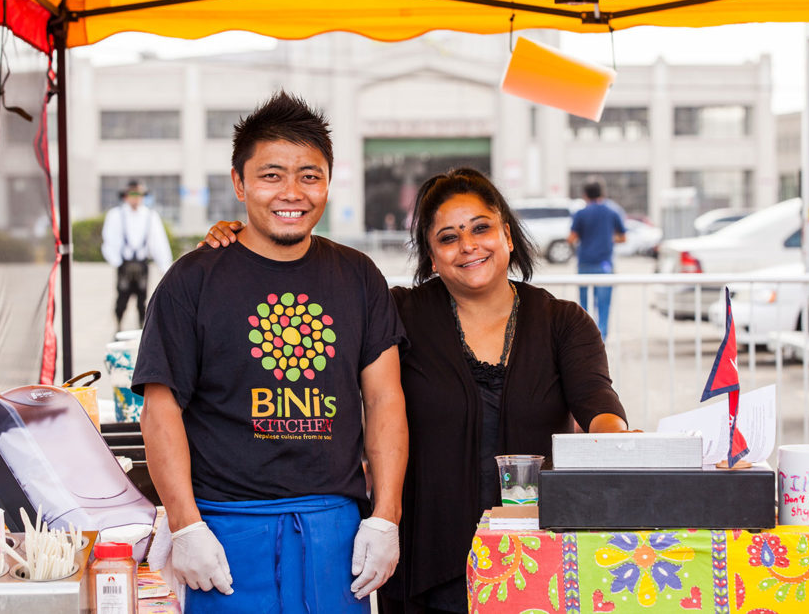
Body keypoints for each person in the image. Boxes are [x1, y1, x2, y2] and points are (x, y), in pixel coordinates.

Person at [203, 167, 630, 614]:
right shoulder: (398, 313)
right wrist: (246, 245)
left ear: (506, 232)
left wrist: (617, 442)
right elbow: (307, 301)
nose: (468, 246)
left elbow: (597, 403)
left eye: (481, 228)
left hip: (534, 558)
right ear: (431, 254)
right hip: (423, 564)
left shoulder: (563, 322)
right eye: (448, 238)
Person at [134, 91, 408, 613]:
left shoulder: (359, 276)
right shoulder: (191, 281)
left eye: (310, 175)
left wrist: (384, 517)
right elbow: (160, 409)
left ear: (328, 181)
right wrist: (185, 524)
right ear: (240, 183)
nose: (292, 192)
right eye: (271, 174)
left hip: (336, 530)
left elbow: (386, 400)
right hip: (225, 532)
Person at [101, 180, 173, 331]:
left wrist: (165, 267)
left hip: (142, 264)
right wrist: (116, 260)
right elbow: (109, 239)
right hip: (124, 263)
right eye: (132, 194)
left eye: (139, 194)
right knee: (122, 298)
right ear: (126, 196)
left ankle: (142, 329)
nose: (136, 198)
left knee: (143, 300)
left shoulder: (150, 216)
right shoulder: (116, 215)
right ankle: (118, 326)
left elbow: (159, 242)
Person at [567, 178, 626, 341]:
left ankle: (586, 337)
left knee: (584, 303)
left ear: (585, 195)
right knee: (604, 304)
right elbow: (623, 237)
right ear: (603, 193)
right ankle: (602, 338)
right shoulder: (613, 211)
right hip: (605, 264)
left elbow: (571, 238)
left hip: (584, 263)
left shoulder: (580, 213)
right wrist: (608, 238)